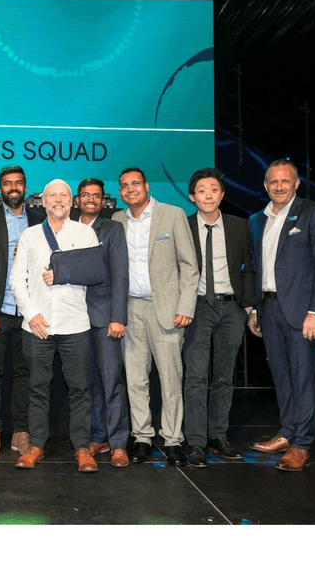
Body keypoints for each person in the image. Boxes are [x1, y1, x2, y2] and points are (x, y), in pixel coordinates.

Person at [247, 159, 315, 472]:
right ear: (265, 186)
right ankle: (287, 432)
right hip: (269, 308)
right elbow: (256, 268)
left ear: (296, 184)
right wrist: (255, 309)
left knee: (303, 378)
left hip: (304, 312)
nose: (279, 186)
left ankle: (302, 443)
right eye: (273, 181)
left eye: (285, 181)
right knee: (281, 377)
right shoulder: (257, 220)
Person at [9, 179, 101, 473]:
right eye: (53, 196)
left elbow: (94, 273)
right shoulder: (30, 235)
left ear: (72, 202)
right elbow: (17, 279)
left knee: (80, 389)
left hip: (75, 324)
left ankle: (82, 449)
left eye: (63, 195)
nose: (58, 200)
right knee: (37, 388)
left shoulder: (85, 233)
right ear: (43, 201)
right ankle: (36, 446)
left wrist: (63, 274)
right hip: (38, 326)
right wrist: (31, 314)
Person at [112, 167, 199, 466]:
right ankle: (142, 437)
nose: (131, 189)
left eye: (135, 183)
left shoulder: (172, 215)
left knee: (171, 379)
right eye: (125, 185)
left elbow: (189, 265)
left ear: (147, 186)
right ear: (120, 192)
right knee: (135, 379)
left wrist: (185, 306)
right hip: (130, 310)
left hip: (166, 310)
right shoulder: (117, 220)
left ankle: (173, 439)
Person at [54, 177, 130, 468]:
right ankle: (99, 436)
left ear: (103, 200)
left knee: (111, 380)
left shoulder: (112, 229)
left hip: (103, 316)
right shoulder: (67, 228)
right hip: (74, 317)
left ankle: (119, 443)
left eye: (96, 195)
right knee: (88, 383)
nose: (90, 200)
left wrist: (117, 317)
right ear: (77, 199)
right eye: (85, 195)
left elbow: (120, 274)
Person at [182, 167, 255, 468]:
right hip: (197, 307)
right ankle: (196, 441)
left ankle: (218, 435)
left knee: (225, 376)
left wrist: (249, 308)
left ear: (222, 194)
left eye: (214, 189)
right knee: (196, 377)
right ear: (192, 196)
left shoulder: (239, 226)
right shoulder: (183, 226)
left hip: (231, 308)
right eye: (202, 190)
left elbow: (249, 267)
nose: (208, 195)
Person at [0, 165, 44, 461]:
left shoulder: (40, 220)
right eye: (7, 183)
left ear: (26, 187)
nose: (13, 188)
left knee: (25, 373)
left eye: (18, 183)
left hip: (29, 312)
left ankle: (21, 431)